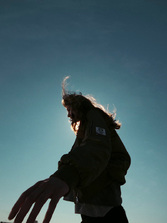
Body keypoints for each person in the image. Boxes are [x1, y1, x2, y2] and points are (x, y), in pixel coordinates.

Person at [8, 77, 131, 223]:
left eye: (69, 109)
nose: (68, 114)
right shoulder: (87, 123)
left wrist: (67, 175)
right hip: (94, 201)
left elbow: (97, 146)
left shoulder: (93, 116)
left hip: (102, 204)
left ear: (77, 105)